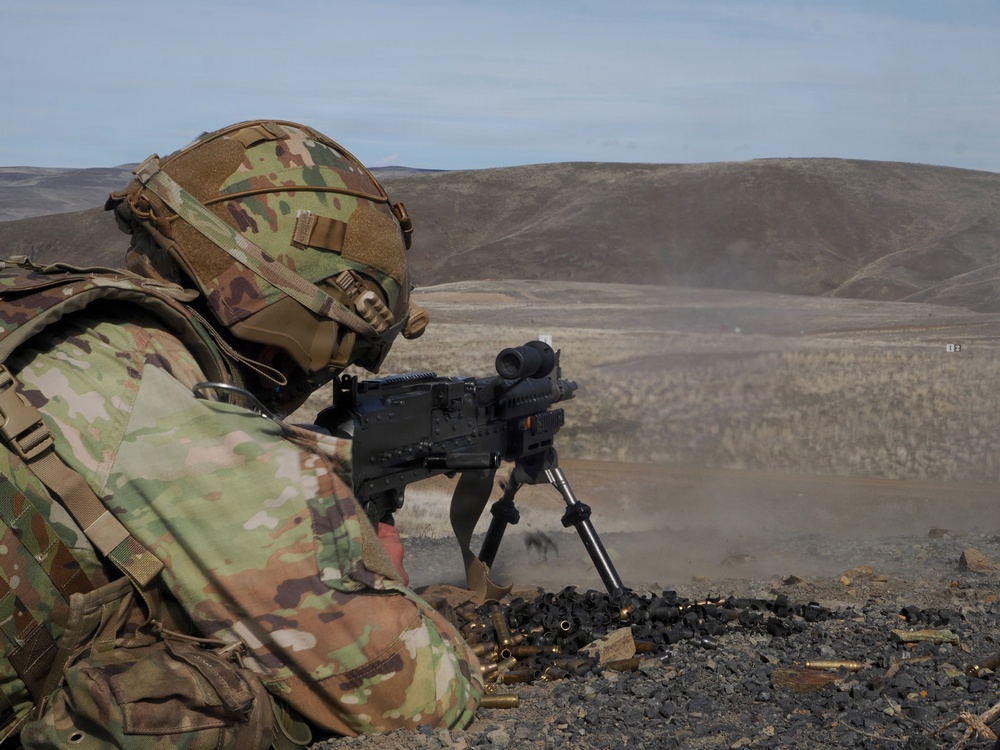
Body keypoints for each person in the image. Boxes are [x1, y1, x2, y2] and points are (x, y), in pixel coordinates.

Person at [0, 120, 482, 744]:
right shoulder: (156, 393)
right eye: (342, 343)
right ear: (295, 317)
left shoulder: (40, 317)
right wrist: (372, 575)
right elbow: (411, 693)